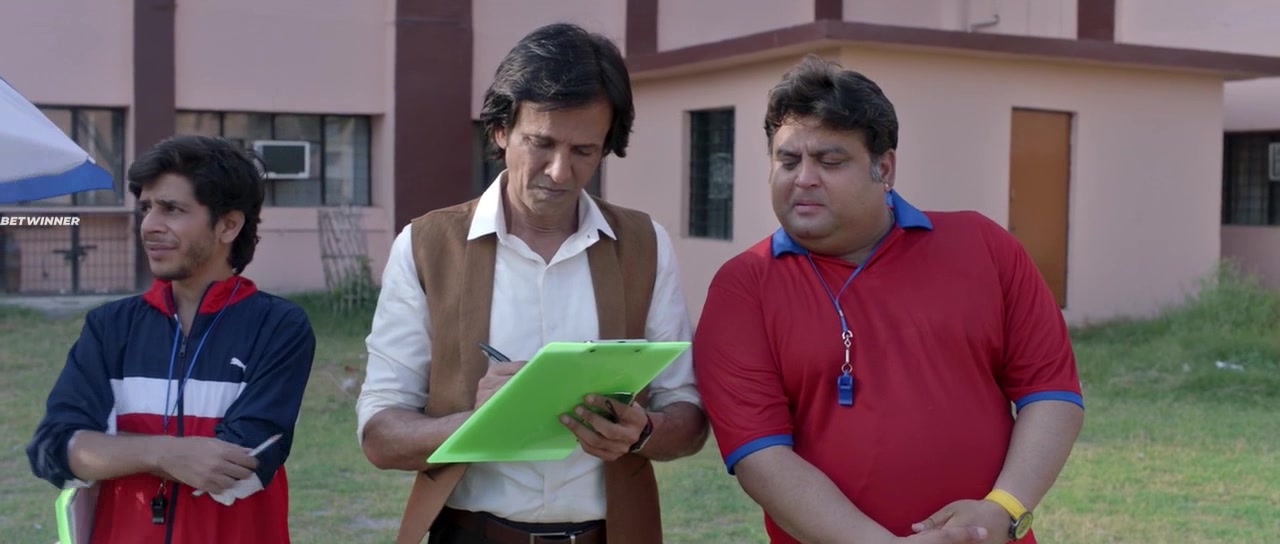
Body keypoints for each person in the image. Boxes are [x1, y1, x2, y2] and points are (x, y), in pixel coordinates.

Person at [691, 55, 1086, 544]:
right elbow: (761, 457)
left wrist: (1001, 509)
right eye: (787, 161)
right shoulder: (742, 289)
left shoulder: (983, 246)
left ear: (884, 167)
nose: (804, 178)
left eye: (830, 161)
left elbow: (1052, 393)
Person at [356, 22, 707, 544]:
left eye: (584, 151)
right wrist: (481, 423)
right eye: (541, 143)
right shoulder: (427, 246)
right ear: (500, 130)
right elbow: (381, 436)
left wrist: (643, 431)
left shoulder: (644, 245)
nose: (560, 172)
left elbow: (689, 417)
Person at [26, 134, 316, 543]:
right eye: (146, 208)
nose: (149, 225)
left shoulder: (279, 326)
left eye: (172, 209)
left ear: (228, 225)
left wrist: (108, 448)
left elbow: (240, 467)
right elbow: (53, 450)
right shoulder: (109, 327)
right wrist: (163, 453)